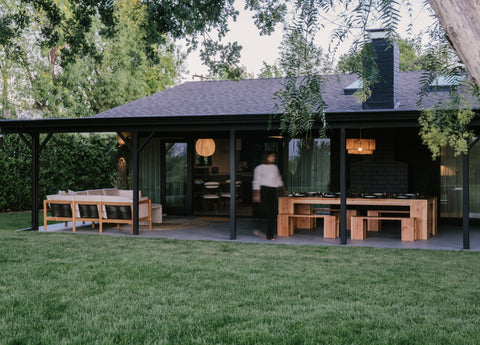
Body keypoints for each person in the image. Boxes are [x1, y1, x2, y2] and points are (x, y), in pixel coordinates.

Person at [252, 151, 285, 240]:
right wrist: (256, 194)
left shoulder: (275, 167)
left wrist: (283, 189)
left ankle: (269, 235)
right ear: (266, 157)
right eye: (272, 156)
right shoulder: (259, 168)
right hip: (264, 190)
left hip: (273, 191)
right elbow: (256, 181)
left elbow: (278, 180)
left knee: (273, 212)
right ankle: (257, 227)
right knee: (265, 210)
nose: (273, 158)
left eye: (274, 156)